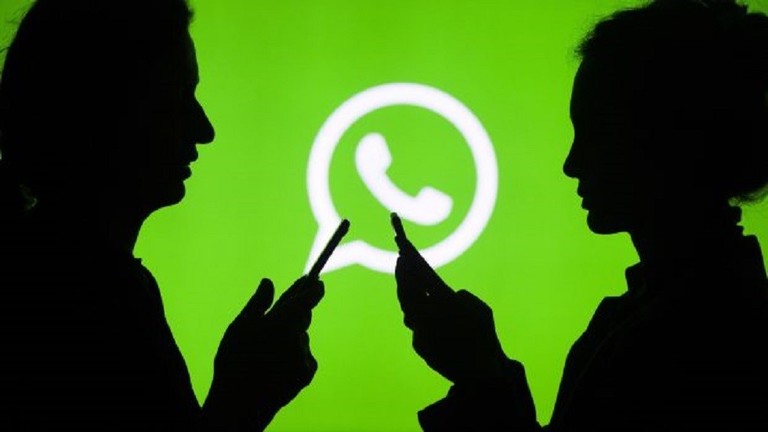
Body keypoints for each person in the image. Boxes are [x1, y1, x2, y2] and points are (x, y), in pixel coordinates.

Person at [394, 0, 768, 430]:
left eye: (597, 135)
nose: (571, 164)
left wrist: (481, 374)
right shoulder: (691, 313)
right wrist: (483, 371)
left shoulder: (692, 339)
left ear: (672, 142)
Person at [0, 0, 324, 430]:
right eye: (174, 99)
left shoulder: (43, 272)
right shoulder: (94, 300)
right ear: (97, 117)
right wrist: (243, 400)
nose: (204, 130)